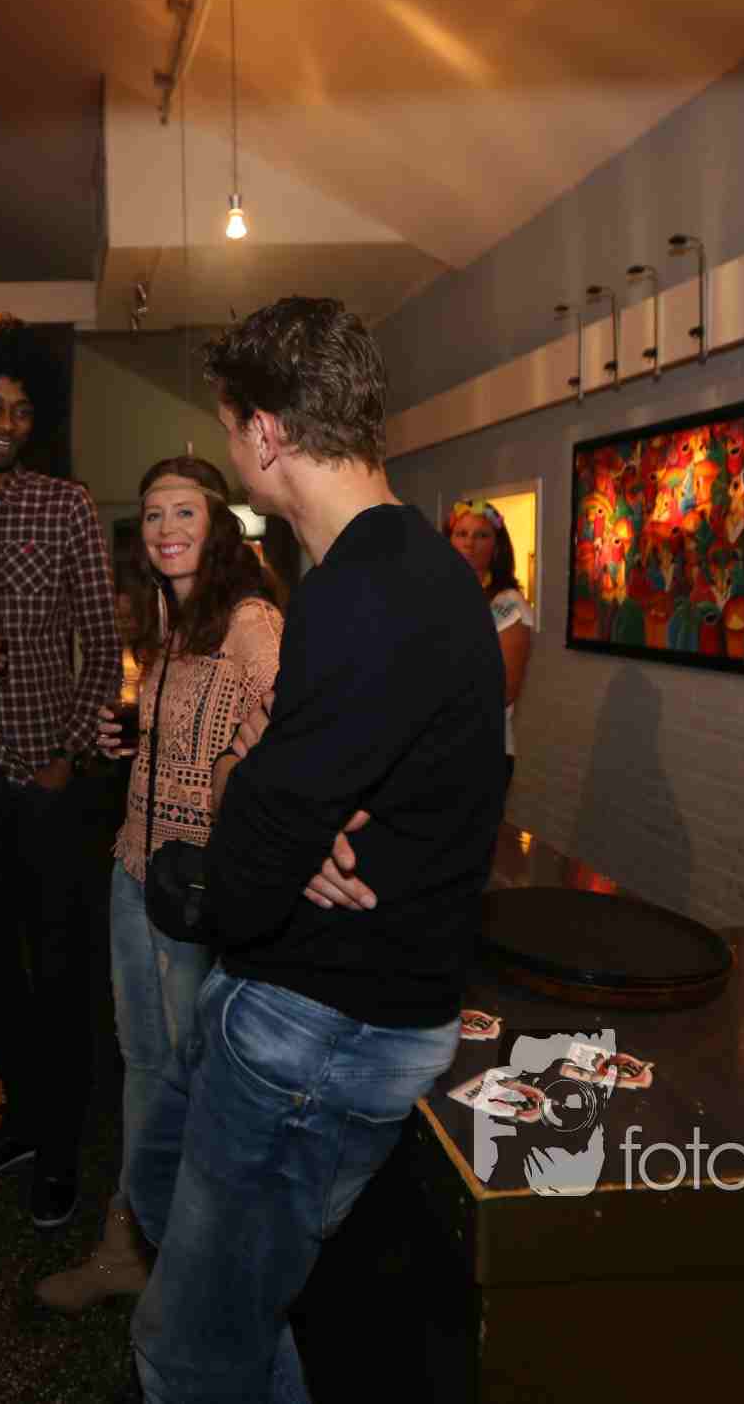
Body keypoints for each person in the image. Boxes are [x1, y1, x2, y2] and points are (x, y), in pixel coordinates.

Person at [126, 297, 506, 1402]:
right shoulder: (390, 569)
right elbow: (280, 802)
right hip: (314, 1004)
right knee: (168, 1203)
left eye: (227, 424)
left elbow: (242, 872)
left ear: (265, 432)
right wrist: (276, 812)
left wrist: (257, 822)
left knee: (188, 1351)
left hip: (322, 1029)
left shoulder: (367, 590)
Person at [36, 456, 281, 1313]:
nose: (166, 529)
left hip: (197, 883)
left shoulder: (250, 617)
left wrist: (232, 760)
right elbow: (178, 730)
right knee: (142, 1060)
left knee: (190, 1069)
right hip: (135, 866)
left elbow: (298, 715)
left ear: (217, 523)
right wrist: (134, 741)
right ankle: (132, 1241)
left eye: (183, 512)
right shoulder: (169, 621)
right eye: (152, 515)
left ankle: (195, 1263)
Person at [0, 315, 122, 1228]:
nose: (5, 423)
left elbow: (104, 642)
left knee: (60, 971)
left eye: (20, 409)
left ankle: (60, 1142)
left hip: (47, 783)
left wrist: (69, 752)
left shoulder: (65, 504)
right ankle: (25, 1113)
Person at [447, 500, 533, 785]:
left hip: (483, 748)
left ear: (497, 547)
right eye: (461, 533)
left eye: (481, 535)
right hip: (433, 748)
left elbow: (505, 690)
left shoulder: (507, 604)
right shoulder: (436, 597)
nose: (469, 543)